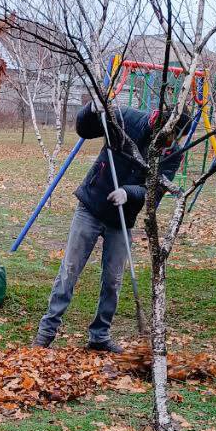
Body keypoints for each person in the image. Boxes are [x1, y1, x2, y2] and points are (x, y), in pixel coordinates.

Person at [33, 101, 186, 352]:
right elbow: (85, 129)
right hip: (92, 205)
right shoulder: (126, 119)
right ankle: (46, 333)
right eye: (167, 135)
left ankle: (100, 336)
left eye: (175, 137)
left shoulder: (172, 153)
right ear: (159, 122)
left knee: (113, 280)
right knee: (69, 269)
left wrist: (129, 192)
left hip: (123, 218)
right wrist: (91, 109)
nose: (170, 142)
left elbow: (156, 191)